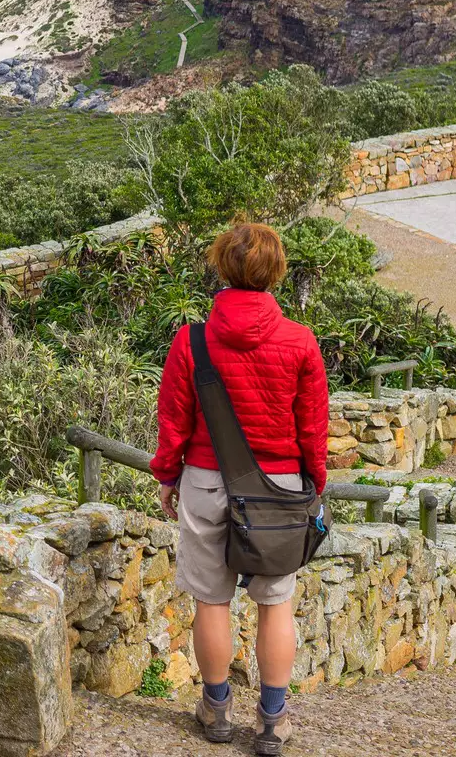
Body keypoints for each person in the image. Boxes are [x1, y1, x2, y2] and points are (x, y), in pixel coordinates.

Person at [150, 221, 328, 757]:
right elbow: (312, 426)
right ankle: (273, 721)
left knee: (212, 598)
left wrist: (167, 475)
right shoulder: (299, 341)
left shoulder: (192, 339)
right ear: (276, 272)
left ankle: (217, 709)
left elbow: (173, 419)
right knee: (276, 603)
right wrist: (313, 485)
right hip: (278, 488)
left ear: (222, 267)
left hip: (206, 480)